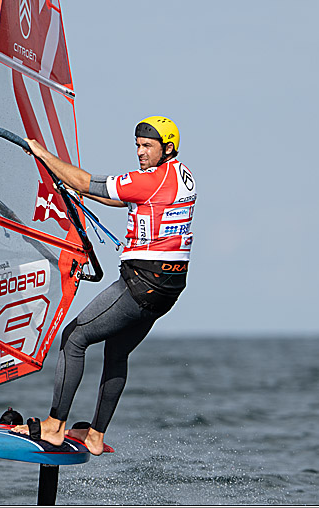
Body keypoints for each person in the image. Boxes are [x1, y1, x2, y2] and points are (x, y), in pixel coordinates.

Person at [13, 116, 197, 455]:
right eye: (138, 146)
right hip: (168, 290)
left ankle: (55, 425)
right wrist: (81, 191)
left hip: (140, 283)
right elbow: (125, 196)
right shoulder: (181, 176)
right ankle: (95, 435)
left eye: (147, 146)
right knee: (116, 351)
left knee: (74, 337)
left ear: (167, 148)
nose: (140, 152)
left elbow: (85, 180)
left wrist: (42, 154)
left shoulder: (150, 180)